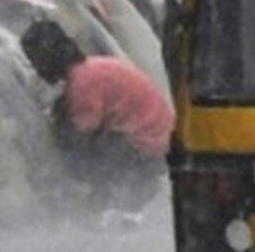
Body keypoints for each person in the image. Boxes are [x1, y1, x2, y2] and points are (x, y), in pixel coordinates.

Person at [20, 20, 174, 217]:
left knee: (74, 149)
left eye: (36, 62)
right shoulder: (93, 68)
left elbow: (82, 134)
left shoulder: (82, 84)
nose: (38, 71)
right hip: (162, 136)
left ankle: (126, 191)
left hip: (150, 147)